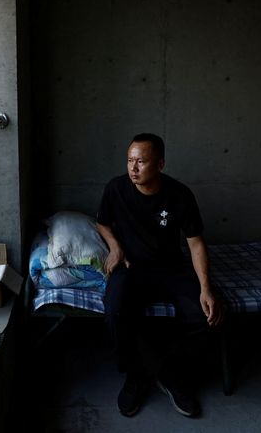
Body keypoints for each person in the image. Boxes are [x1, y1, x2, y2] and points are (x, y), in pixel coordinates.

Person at [96, 133, 222, 418]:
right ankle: (135, 375)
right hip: (131, 268)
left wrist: (205, 287)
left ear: (161, 164)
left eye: (141, 161)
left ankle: (172, 374)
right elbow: (102, 223)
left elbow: (195, 242)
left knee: (207, 316)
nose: (133, 168)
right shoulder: (116, 189)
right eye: (130, 161)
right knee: (115, 313)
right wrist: (115, 248)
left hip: (171, 268)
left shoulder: (179, 195)